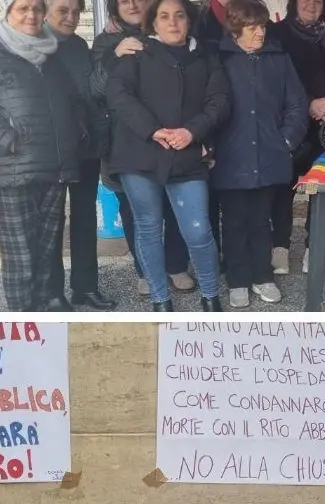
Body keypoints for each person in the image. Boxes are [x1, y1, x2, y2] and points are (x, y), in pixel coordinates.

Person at [106, 0, 230, 311]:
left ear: (189, 22)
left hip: (186, 153)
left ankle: (210, 295)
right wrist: (153, 130)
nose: (173, 22)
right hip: (140, 154)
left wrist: (192, 131)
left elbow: (219, 101)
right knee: (148, 227)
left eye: (179, 16)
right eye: (164, 16)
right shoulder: (137, 54)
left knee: (198, 230)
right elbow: (119, 95)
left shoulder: (206, 56)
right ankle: (161, 299)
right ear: (154, 23)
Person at [0, 0, 83, 312]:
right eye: (23, 8)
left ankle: (49, 304)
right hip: (12, 168)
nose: (31, 16)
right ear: (7, 12)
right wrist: (12, 141)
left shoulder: (48, 51)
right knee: (21, 253)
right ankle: (23, 316)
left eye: (37, 9)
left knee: (48, 246)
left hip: (53, 165)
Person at [91, 0, 198, 297]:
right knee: (136, 213)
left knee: (174, 207)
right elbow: (98, 89)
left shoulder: (170, 37)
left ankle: (176, 266)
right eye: (124, 0)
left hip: (170, 137)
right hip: (127, 141)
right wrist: (114, 56)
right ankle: (146, 270)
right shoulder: (105, 43)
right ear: (114, 9)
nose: (133, 4)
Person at [212, 0, 310, 308]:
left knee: (261, 220)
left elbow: (296, 103)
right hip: (230, 156)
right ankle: (238, 280)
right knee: (234, 220)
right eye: (253, 28)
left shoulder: (278, 59)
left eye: (263, 27)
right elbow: (206, 105)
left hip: (269, 153)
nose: (260, 34)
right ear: (236, 29)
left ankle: (263, 276)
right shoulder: (218, 59)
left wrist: (286, 141)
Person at [271, 0, 325, 274]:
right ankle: (279, 247)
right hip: (289, 122)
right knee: (282, 187)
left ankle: (313, 246)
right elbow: (275, 79)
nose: (311, 4)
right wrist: (307, 102)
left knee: (320, 187)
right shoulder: (278, 33)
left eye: (317, 0)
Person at [44, 0, 118, 311]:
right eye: (64, 10)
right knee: (52, 223)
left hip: (85, 147)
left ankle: (85, 287)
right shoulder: (32, 46)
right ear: (45, 8)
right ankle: (52, 293)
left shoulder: (77, 45)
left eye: (76, 12)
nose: (72, 17)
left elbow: (92, 89)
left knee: (85, 219)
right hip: (51, 150)